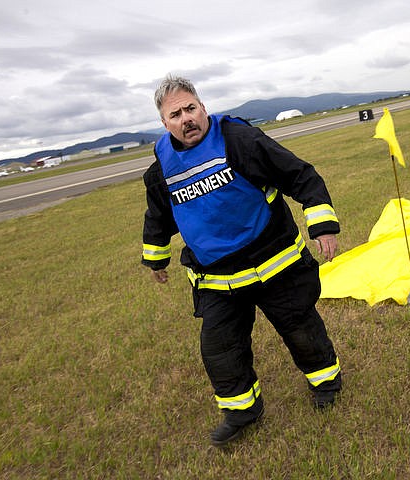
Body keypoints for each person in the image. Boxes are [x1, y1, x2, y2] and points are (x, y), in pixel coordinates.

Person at [141, 75, 342, 447]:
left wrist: (323, 225)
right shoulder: (162, 166)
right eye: (176, 114)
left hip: (274, 262)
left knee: (300, 327)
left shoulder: (239, 140)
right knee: (220, 349)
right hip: (216, 279)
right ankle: (242, 412)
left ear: (203, 108)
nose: (186, 118)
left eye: (191, 108)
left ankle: (326, 383)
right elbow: (158, 213)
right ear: (164, 123)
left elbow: (299, 174)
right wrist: (155, 258)